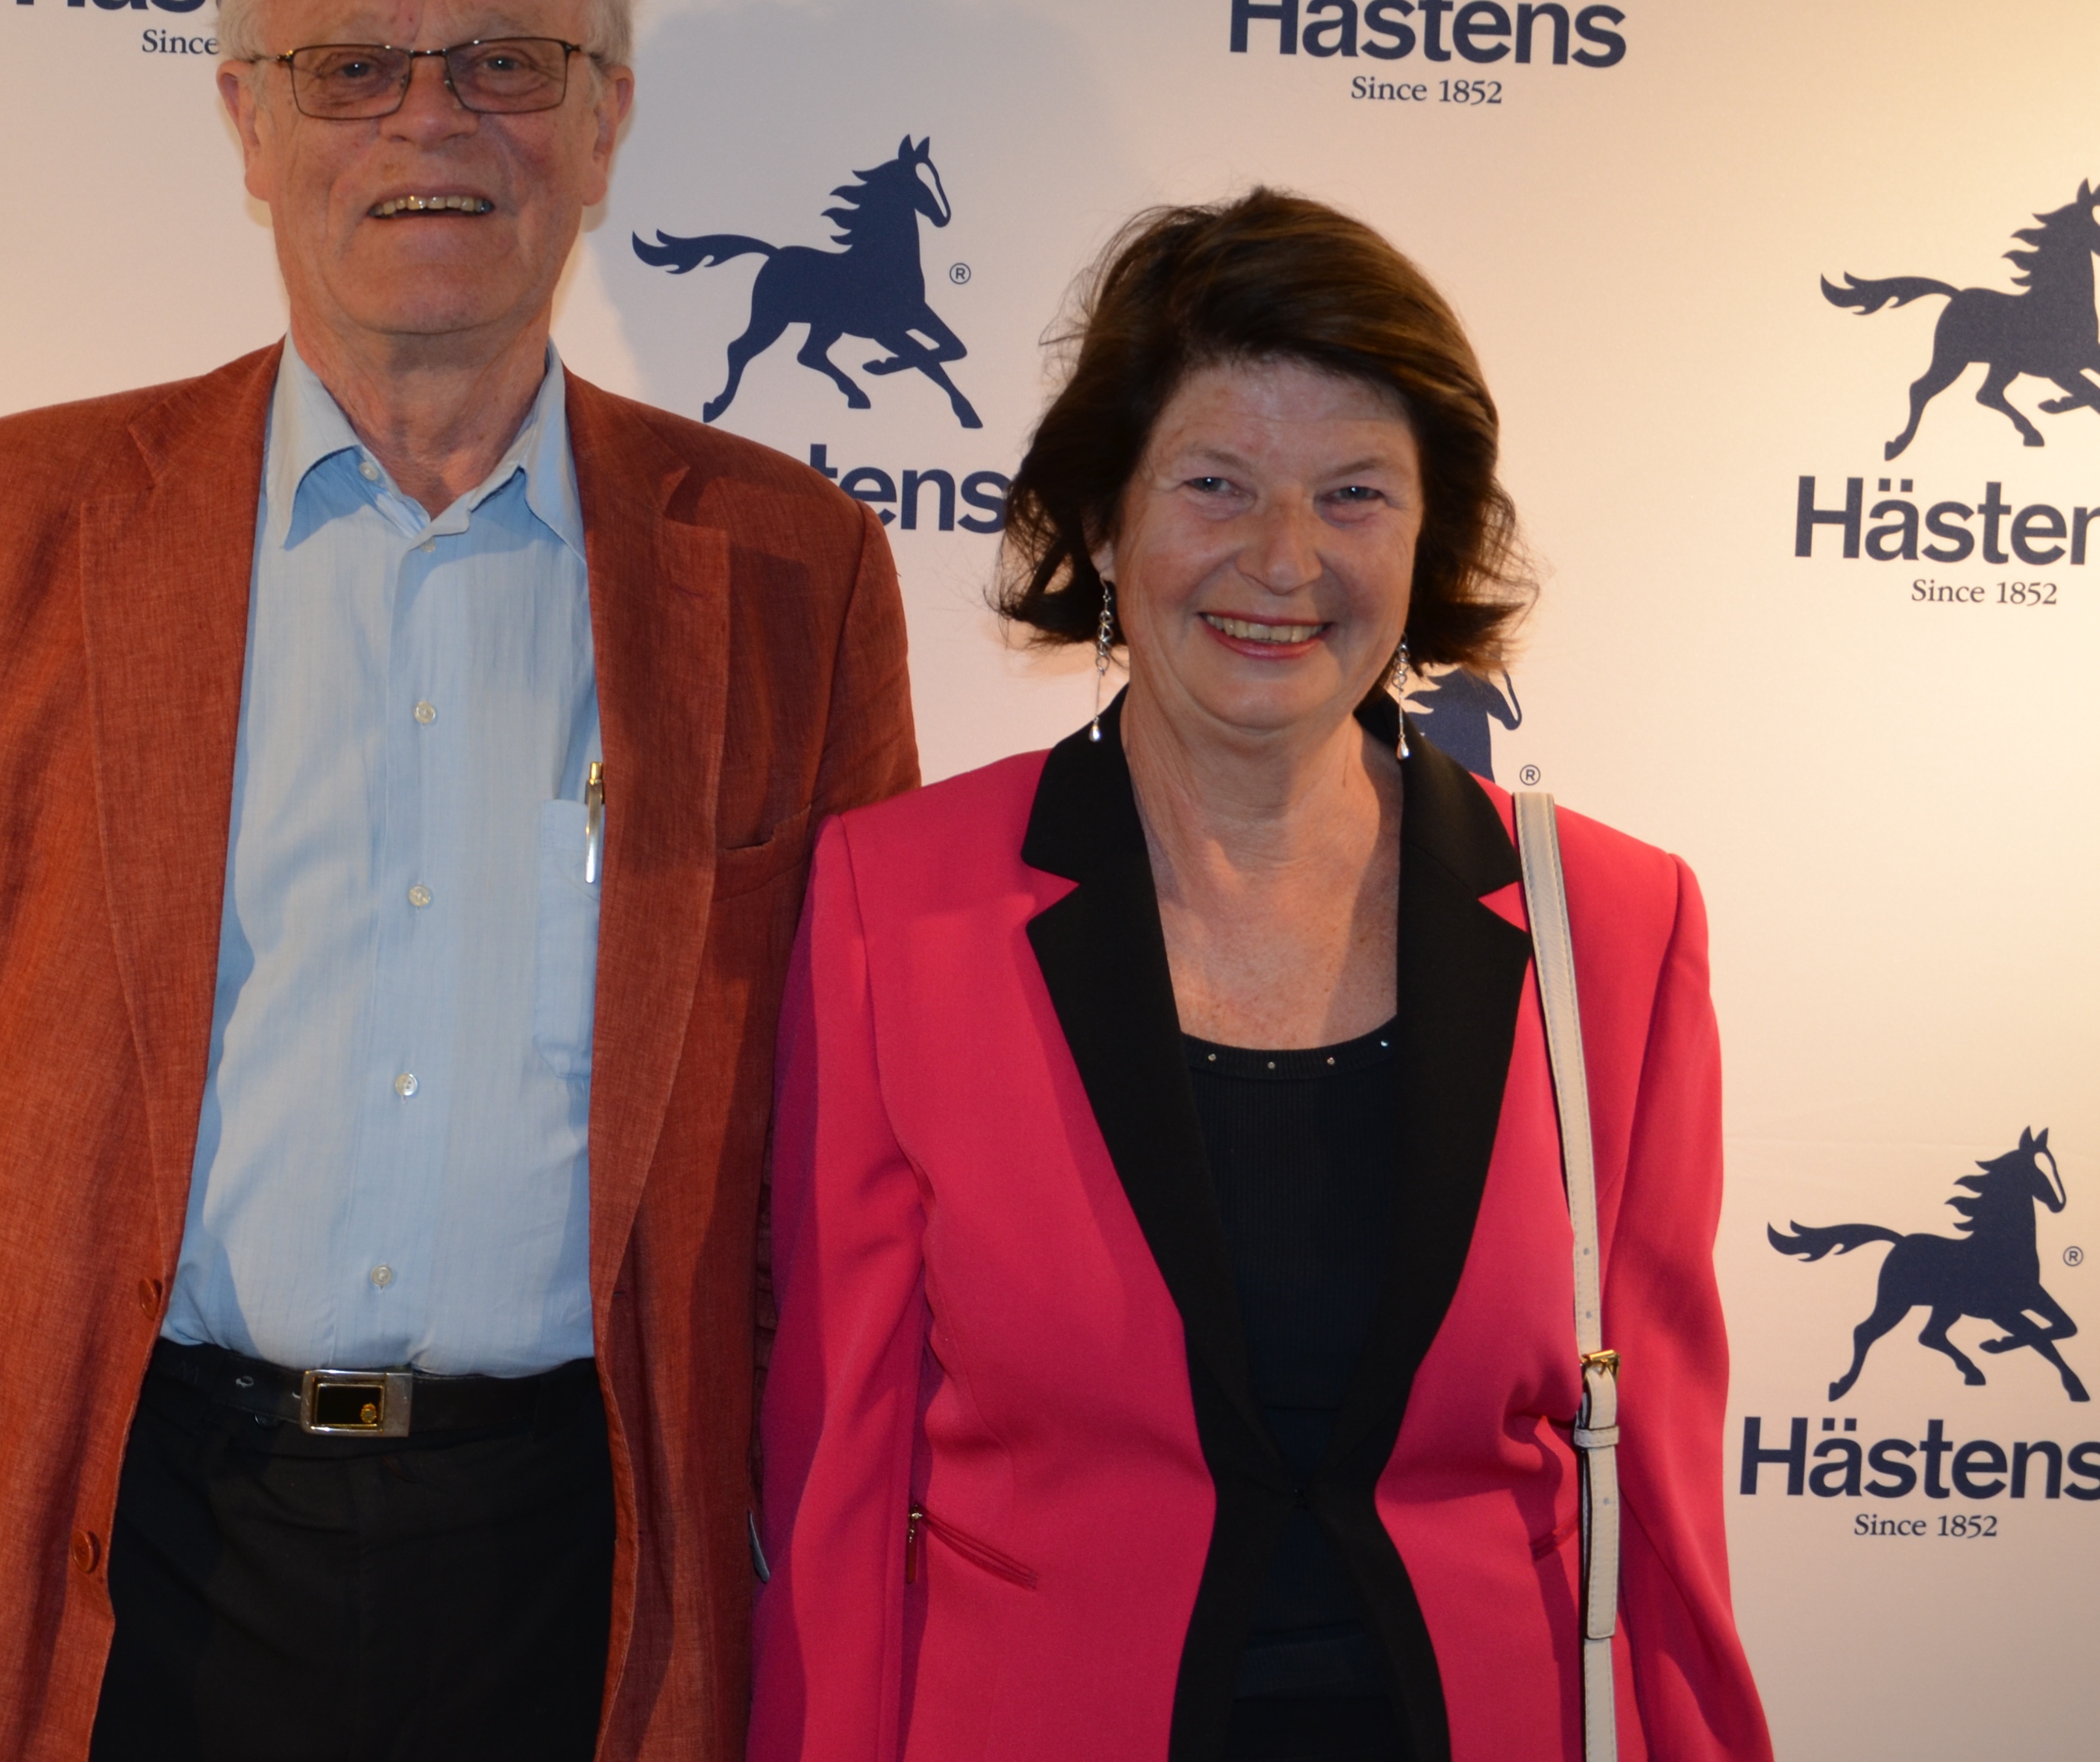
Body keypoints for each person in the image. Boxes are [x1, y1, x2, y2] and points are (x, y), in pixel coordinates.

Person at [0, 0, 919, 1762]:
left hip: (598, 1589)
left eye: (506, 61)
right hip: (126, 1574)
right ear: (248, 121)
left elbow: (850, 1175)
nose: (429, 122)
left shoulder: (795, 572)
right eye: (352, 65)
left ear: (604, 120)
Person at [750, 192, 1772, 1761]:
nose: (1282, 560)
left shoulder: (1613, 926)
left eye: (1352, 494)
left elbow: (1662, 1502)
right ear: (1103, 523)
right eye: (1212, 484)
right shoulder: (895, 904)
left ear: (1428, 538)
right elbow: (839, 1471)